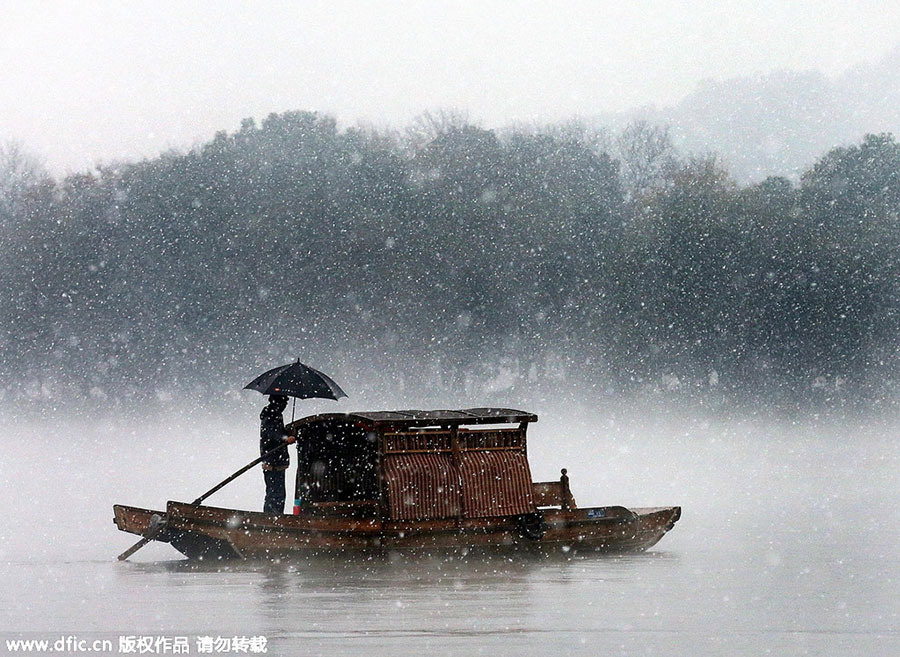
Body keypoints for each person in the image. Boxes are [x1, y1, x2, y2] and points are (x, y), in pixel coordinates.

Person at [259, 395, 295, 514]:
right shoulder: (270, 415)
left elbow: (278, 432)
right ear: (278, 403)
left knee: (278, 494)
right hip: (272, 462)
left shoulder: (276, 415)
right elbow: (272, 434)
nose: (285, 406)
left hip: (277, 461)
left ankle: (275, 517)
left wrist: (288, 433)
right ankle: (271, 518)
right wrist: (285, 438)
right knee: (275, 494)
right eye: (284, 403)